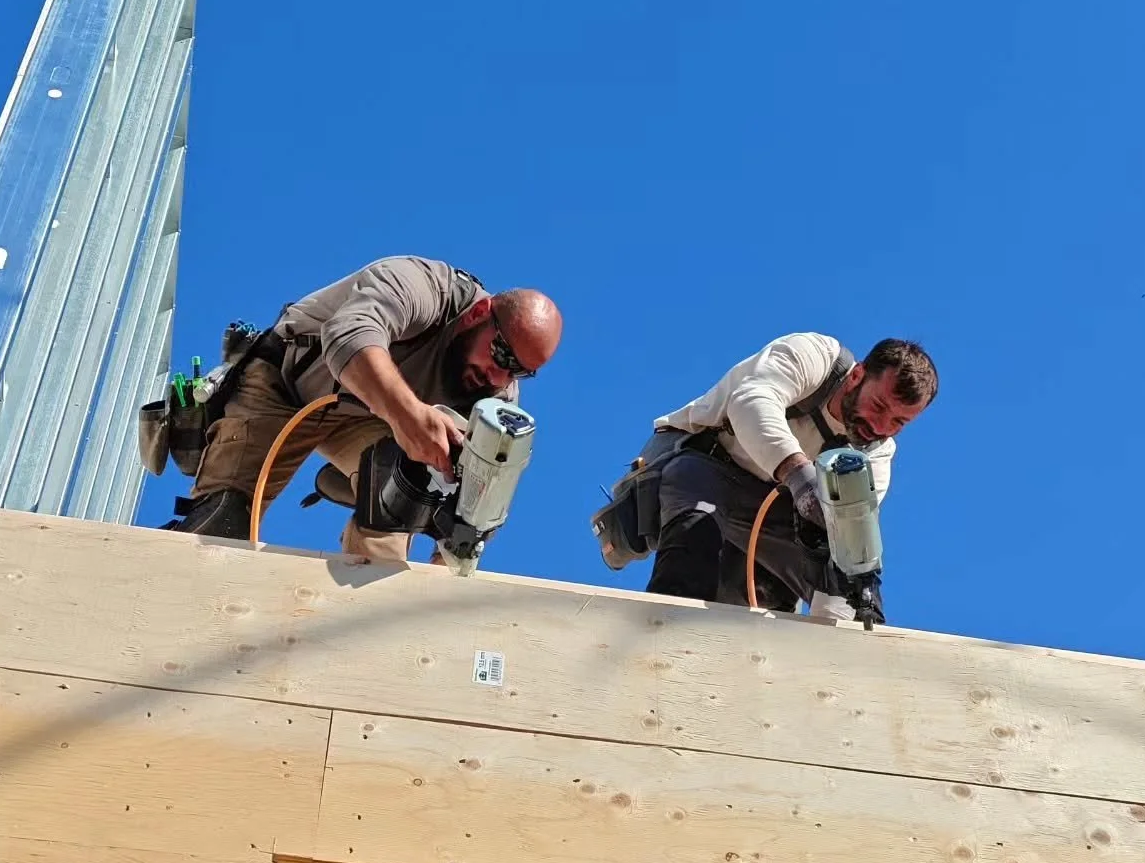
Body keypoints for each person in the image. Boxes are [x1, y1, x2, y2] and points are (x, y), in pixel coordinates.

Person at [167, 257, 562, 560]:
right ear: (479, 315)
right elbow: (348, 335)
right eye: (499, 353)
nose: (497, 376)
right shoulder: (423, 286)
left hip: (368, 421)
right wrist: (408, 416)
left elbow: (482, 506)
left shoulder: (495, 401)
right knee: (222, 525)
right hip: (285, 386)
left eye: (518, 371)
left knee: (399, 500)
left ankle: (360, 638)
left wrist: (452, 558)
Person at [638, 332, 937, 614]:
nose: (881, 427)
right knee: (693, 539)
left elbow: (851, 537)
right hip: (706, 476)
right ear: (857, 375)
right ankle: (669, 630)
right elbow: (750, 401)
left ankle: (840, 654)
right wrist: (799, 476)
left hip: (773, 520)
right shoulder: (815, 357)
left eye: (898, 422)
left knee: (844, 575)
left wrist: (859, 586)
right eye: (878, 405)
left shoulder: (876, 454)